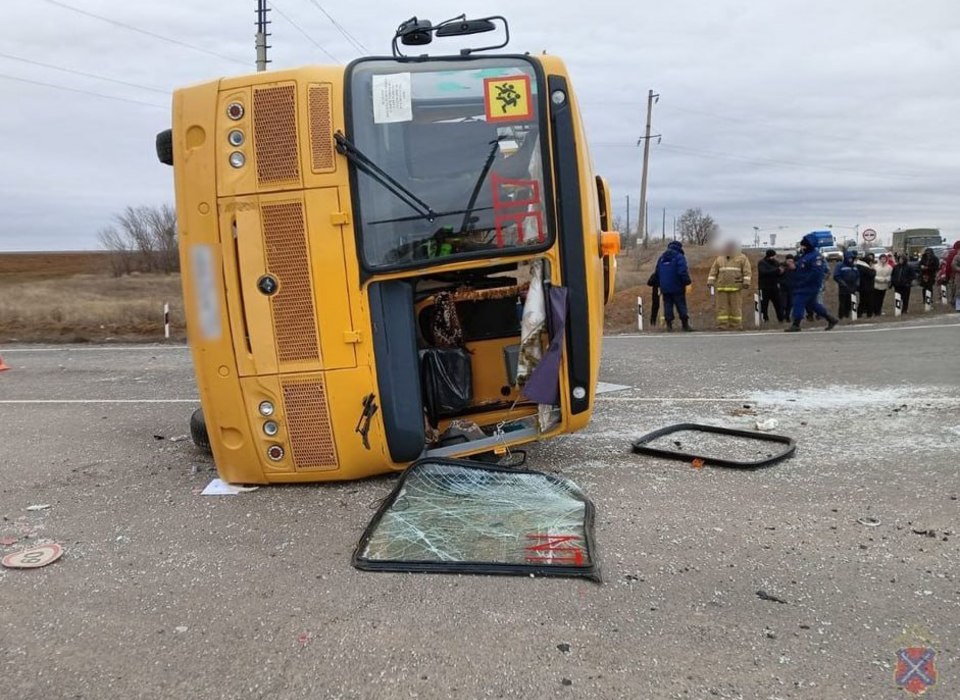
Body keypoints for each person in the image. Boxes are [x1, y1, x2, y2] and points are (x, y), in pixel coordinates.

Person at [785, 233, 838, 332]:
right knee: (812, 304)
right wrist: (794, 266)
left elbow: (816, 273)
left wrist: (805, 282)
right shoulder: (806, 256)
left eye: (803, 245)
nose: (802, 247)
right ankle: (831, 319)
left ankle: (796, 324)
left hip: (808, 285)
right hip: (803, 284)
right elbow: (802, 266)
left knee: (798, 302)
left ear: (808, 245)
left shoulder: (816, 257)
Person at [706, 241, 752, 330]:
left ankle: (736, 325)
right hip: (721, 287)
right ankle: (722, 325)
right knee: (721, 308)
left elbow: (747, 271)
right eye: (727, 247)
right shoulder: (719, 259)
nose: (728, 249)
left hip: (736, 287)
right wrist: (710, 281)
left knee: (736, 307)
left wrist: (746, 282)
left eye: (730, 247)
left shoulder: (742, 258)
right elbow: (713, 271)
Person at [654, 240, 694, 331]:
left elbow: (657, 272)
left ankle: (669, 326)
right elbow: (682, 271)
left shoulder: (662, 258)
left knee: (667, 305)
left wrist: (660, 285)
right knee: (681, 305)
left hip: (665, 287)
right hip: (677, 286)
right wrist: (687, 282)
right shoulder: (679, 257)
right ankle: (685, 325)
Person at [757, 249, 784, 323]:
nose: (776, 257)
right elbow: (763, 272)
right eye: (774, 255)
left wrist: (781, 272)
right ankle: (765, 319)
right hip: (764, 287)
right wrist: (776, 270)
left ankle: (781, 319)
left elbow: (779, 274)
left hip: (774, 287)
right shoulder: (762, 263)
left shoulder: (776, 263)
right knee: (764, 305)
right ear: (771, 256)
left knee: (778, 304)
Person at [833, 251, 860, 319]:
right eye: (849, 258)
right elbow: (836, 276)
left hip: (853, 287)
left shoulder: (854, 266)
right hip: (844, 287)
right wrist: (843, 283)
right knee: (843, 303)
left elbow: (858, 276)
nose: (850, 259)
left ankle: (853, 316)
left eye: (851, 258)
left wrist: (857, 283)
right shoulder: (840, 265)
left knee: (852, 302)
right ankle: (841, 316)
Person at [855, 253, 877, 318]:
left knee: (862, 302)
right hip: (867, 287)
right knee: (869, 302)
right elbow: (872, 274)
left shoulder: (858, 266)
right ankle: (869, 314)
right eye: (870, 262)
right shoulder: (865, 268)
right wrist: (873, 269)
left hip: (861, 288)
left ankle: (859, 314)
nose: (871, 263)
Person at [779, 254, 796, 321]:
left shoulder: (794, 266)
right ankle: (782, 316)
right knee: (783, 303)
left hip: (792, 287)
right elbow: (778, 274)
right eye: (789, 261)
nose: (790, 262)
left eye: (791, 261)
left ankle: (787, 316)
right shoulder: (782, 266)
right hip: (783, 287)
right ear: (786, 260)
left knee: (790, 303)